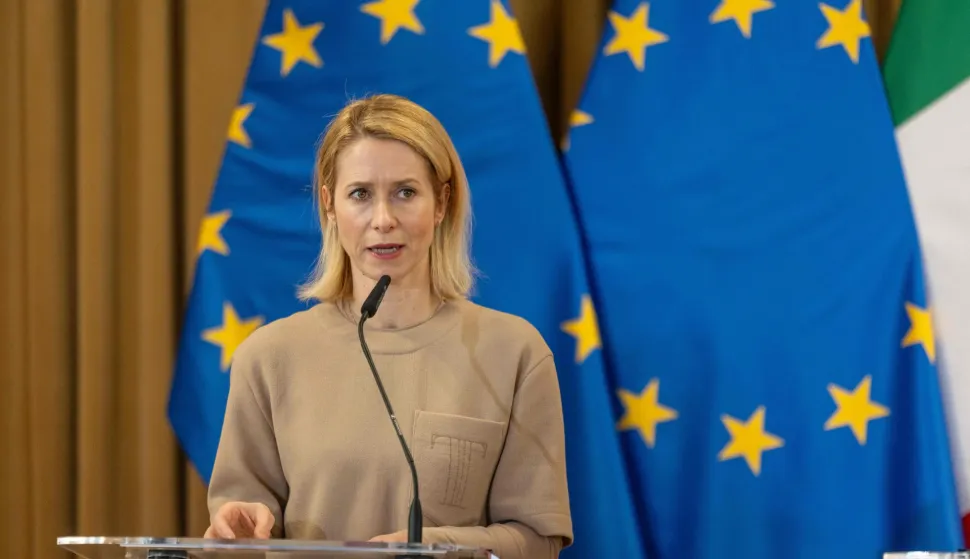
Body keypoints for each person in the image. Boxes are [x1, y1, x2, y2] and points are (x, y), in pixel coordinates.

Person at [203, 93, 574, 559]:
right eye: (360, 194)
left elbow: (538, 540)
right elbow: (238, 531)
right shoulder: (267, 357)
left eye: (405, 192)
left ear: (442, 202)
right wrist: (238, 529)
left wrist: (431, 549)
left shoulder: (514, 352)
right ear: (329, 205)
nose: (383, 220)